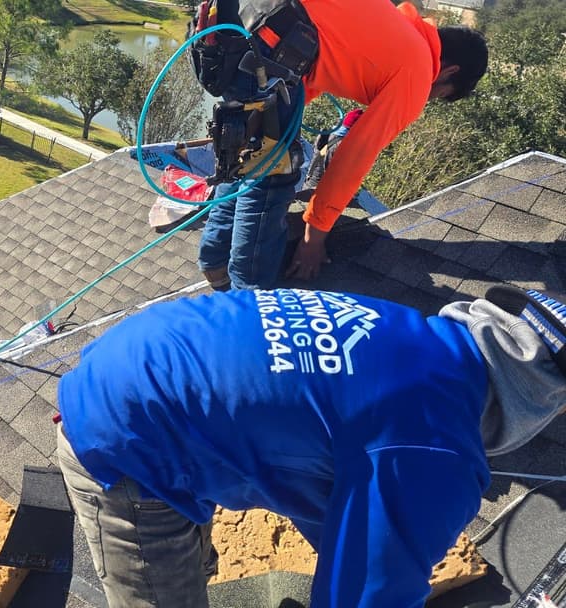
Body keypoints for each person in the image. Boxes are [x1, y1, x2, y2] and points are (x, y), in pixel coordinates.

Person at [56, 285, 566, 607]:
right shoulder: (436, 449)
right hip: (127, 439)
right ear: (536, 400)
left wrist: (372, 555)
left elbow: (337, 489)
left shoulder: (410, 333)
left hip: (141, 358)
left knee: (191, 546)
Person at [194, 0, 488, 291]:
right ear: (450, 71)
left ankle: (215, 262)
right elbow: (354, 156)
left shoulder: (391, 29)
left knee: (251, 157)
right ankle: (250, 298)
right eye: (439, 94)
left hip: (234, 26)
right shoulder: (419, 70)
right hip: (267, 45)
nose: (427, 98)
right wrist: (314, 237)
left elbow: (315, 73)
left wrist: (261, 125)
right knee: (270, 178)